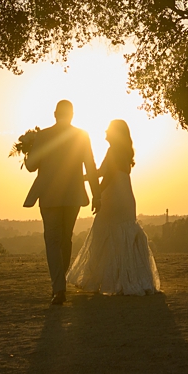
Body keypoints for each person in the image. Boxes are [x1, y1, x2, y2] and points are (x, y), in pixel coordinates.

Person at [67, 119, 161, 296]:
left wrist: (92, 188)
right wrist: (86, 178)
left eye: (109, 130)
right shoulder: (124, 152)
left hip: (113, 197)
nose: (105, 132)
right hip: (126, 197)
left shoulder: (112, 152)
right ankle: (130, 278)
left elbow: (105, 175)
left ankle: (103, 280)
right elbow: (105, 173)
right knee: (123, 235)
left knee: (103, 234)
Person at [21, 99, 97, 305]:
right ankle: (59, 284)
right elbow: (90, 166)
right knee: (65, 240)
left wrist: (28, 148)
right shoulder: (82, 136)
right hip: (72, 195)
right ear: (72, 115)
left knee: (53, 242)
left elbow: (30, 166)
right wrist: (96, 194)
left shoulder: (43, 136)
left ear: (55, 114)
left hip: (49, 197)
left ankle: (58, 287)